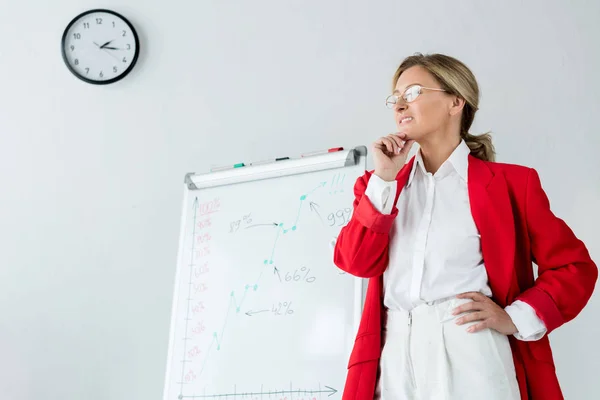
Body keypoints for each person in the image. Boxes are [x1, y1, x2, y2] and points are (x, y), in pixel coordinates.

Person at [333, 53, 597, 400]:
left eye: (412, 92)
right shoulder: (379, 185)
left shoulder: (512, 185)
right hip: (394, 353)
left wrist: (514, 317)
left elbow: (574, 268)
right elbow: (355, 261)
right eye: (394, 97)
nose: (399, 104)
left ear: (455, 102)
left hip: (469, 349)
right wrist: (384, 178)